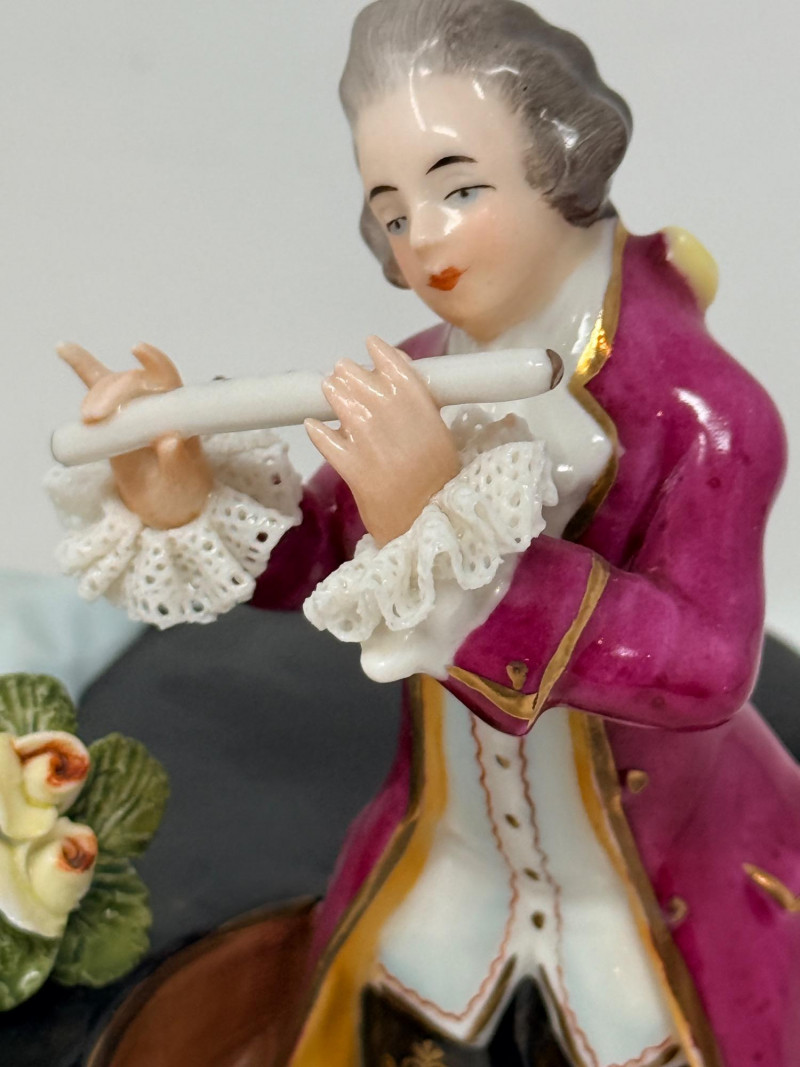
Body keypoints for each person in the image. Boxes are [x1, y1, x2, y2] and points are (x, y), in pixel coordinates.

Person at [48, 2, 800, 1065]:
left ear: (559, 166)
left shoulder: (705, 414)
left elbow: (708, 666)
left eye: (458, 188)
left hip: (660, 893)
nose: (424, 239)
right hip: (456, 864)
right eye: (391, 211)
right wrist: (183, 495)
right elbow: (326, 556)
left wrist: (457, 544)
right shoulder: (421, 375)